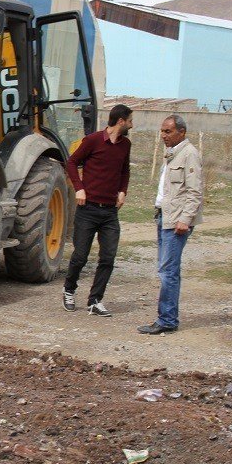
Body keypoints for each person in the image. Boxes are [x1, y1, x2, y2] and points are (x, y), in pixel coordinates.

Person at [62, 104, 134, 316]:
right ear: (120, 120)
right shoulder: (93, 140)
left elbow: (125, 171)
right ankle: (69, 290)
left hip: (110, 212)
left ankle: (95, 301)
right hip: (88, 209)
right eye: (130, 120)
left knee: (108, 257)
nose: (132, 124)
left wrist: (123, 191)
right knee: (80, 256)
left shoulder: (125, 145)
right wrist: (79, 189)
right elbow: (72, 162)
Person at [137, 115, 203, 335]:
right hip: (165, 217)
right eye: (162, 131)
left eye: (168, 131)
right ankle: (167, 317)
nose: (163, 135)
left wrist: (185, 219)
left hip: (176, 221)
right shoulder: (172, 154)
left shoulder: (189, 154)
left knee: (168, 271)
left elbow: (195, 191)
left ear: (181, 132)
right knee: (166, 269)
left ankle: (167, 319)